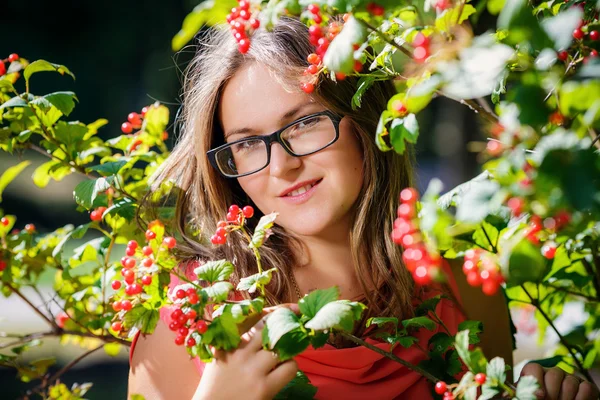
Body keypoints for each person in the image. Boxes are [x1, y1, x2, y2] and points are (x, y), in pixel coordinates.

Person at [127, 16, 599, 400]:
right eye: (248, 144)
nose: (282, 165)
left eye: (304, 123)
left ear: (363, 121)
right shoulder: (189, 318)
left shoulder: (462, 290)